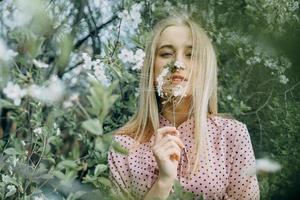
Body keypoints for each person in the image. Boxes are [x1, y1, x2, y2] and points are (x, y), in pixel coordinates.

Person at [108, 14, 260, 200]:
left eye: (191, 54)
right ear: (151, 66)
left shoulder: (231, 135)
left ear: (205, 68)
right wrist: (164, 181)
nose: (177, 63)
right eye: (166, 54)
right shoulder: (124, 145)